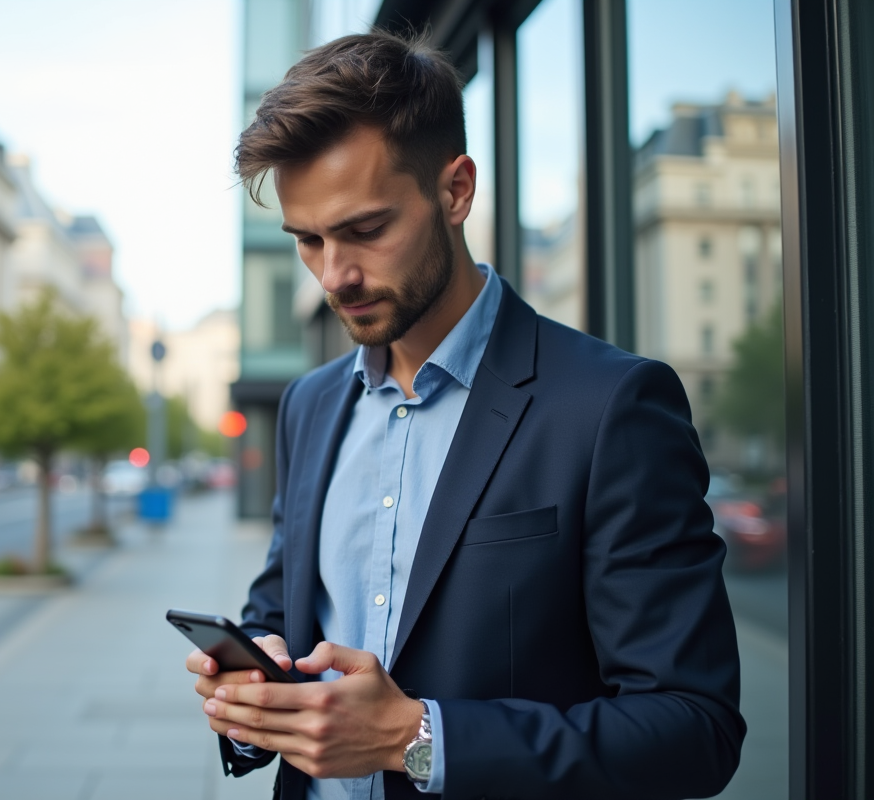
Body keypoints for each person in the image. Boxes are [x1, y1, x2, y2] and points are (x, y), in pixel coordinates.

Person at [186, 30, 744, 800]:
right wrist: (255, 696)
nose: (335, 275)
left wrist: (414, 740)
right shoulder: (310, 404)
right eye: (308, 240)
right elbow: (280, 606)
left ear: (455, 191)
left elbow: (693, 730)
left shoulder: (611, 406)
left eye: (366, 229)